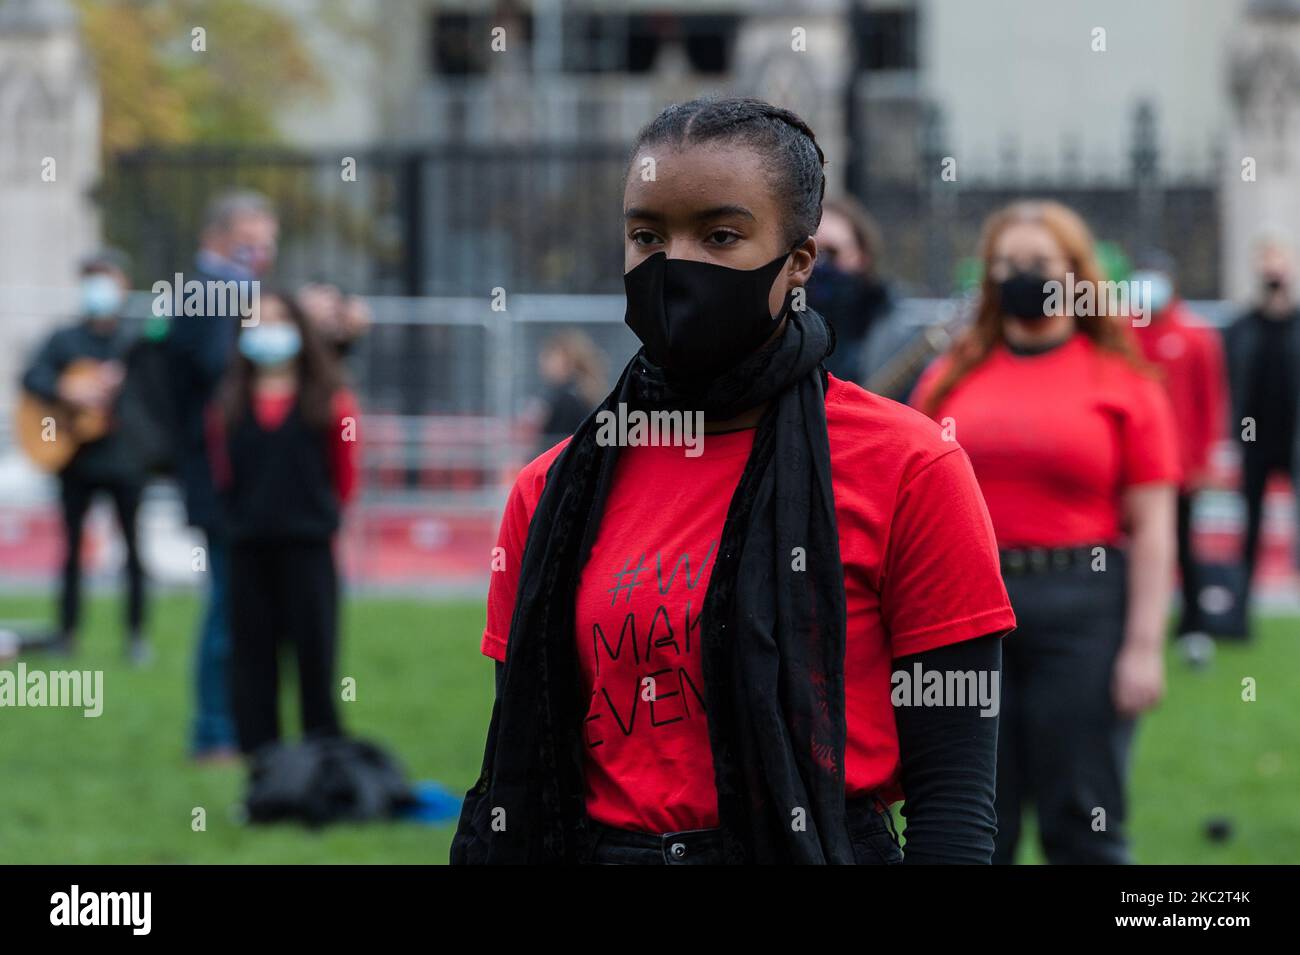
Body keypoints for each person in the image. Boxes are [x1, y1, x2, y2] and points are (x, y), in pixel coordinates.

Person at [453, 97, 1016, 865]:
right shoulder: (550, 491)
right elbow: (525, 761)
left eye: (721, 235)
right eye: (647, 234)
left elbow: (953, 802)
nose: (675, 264)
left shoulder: (909, 466)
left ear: (799, 261)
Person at [912, 200, 1180, 864]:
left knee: (1082, 820)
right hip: (965, 612)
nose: (1020, 277)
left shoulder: (1124, 381)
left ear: (1076, 275)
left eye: (1038, 264)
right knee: (971, 824)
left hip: (1082, 609)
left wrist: (1144, 646)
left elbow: (1152, 525)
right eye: (1005, 265)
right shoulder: (948, 378)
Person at [208, 291, 358, 754]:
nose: (268, 331)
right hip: (248, 547)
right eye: (257, 322)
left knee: (315, 658)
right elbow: (222, 475)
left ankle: (323, 762)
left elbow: (345, 477)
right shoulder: (226, 407)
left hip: (308, 547)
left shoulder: (332, 402)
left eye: (278, 321)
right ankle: (263, 765)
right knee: (252, 662)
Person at [167, 190, 279, 762]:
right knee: (229, 606)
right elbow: (218, 376)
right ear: (217, 237)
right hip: (222, 482)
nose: (260, 254)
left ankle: (234, 726)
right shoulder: (211, 294)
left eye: (266, 243)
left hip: (238, 481)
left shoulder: (228, 295)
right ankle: (214, 731)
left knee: (243, 604)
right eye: (250, 241)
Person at [21, 252, 150, 664]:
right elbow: (31, 377)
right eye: (91, 280)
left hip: (125, 458)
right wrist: (67, 389)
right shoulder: (65, 339)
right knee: (73, 549)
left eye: (106, 280)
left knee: (133, 548)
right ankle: (67, 633)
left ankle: (135, 636)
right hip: (75, 458)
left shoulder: (137, 340)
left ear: (124, 285)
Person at [1130, 252, 1228, 650]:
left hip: (1181, 466)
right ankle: (1133, 626)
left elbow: (1211, 401)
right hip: (1136, 466)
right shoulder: (1125, 336)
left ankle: (1193, 626)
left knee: (1184, 545)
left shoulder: (1195, 337)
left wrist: (1205, 459)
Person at [1224, 233, 1300, 603]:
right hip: (1254, 441)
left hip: (1294, 439)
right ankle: (1242, 604)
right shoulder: (1241, 328)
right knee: (1250, 522)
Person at [806, 196, 894, 383]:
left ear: (862, 256)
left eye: (831, 252)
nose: (819, 264)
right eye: (810, 252)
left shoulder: (891, 326)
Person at [529, 330, 607, 455]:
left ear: (568, 362)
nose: (543, 363)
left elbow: (556, 446)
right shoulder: (576, 392)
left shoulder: (568, 399)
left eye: (550, 357)